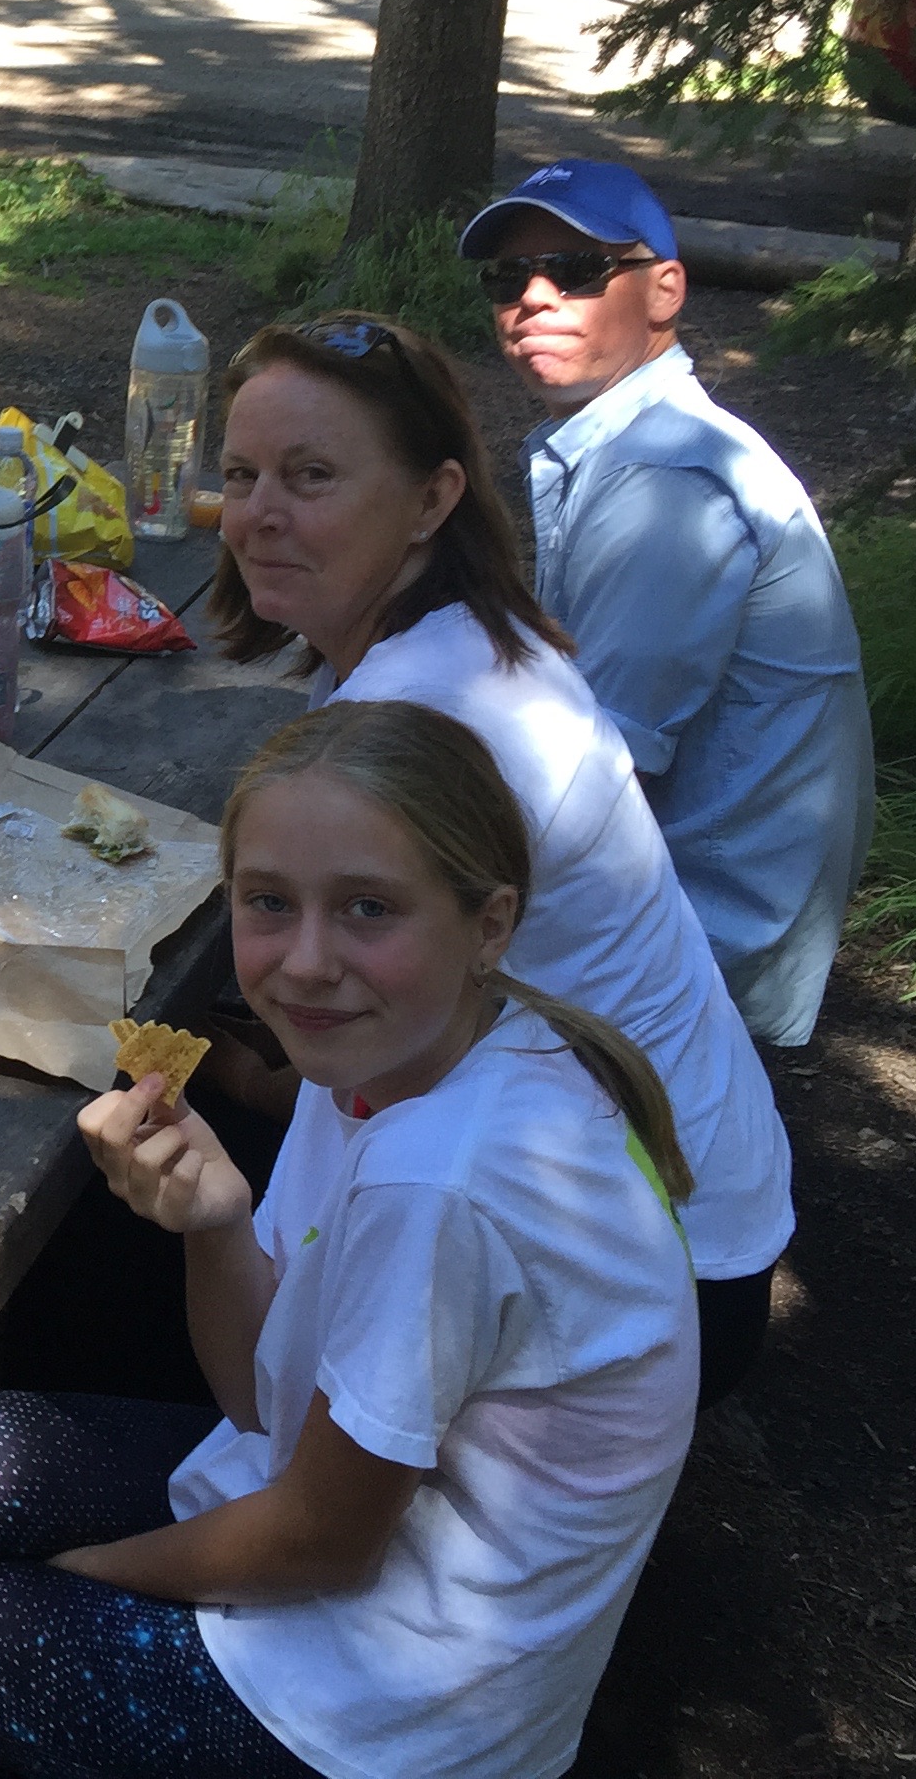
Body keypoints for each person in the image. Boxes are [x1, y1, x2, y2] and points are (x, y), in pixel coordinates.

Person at [0, 702, 699, 1779]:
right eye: (270, 902)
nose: (306, 962)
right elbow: (262, 1402)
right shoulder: (389, 1057)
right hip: (308, 1523)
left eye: (368, 907)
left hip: (378, 1715)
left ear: (489, 924)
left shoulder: (444, 1178)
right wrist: (216, 1225)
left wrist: (72, 1576)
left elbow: (320, 1542)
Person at [208, 313, 790, 1400]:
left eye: (312, 475)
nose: (260, 513)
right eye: (242, 475)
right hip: (668, 1196)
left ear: (433, 500)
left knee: (126, 1230)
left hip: (638, 1267)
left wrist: (236, 1080)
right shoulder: (453, 639)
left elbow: (351, 1013)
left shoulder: (431, 708)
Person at [461, 159, 874, 1048]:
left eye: (575, 270)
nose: (532, 298)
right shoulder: (637, 443)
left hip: (697, 941)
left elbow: (586, 783)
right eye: (508, 277)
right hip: (695, 906)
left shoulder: (666, 479)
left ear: (665, 291)